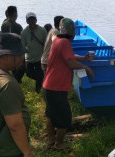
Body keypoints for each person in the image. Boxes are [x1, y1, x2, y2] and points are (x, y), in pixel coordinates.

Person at [42, 18, 95, 150]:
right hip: (57, 87)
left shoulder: (58, 41)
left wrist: (83, 58)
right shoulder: (65, 42)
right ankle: (59, 144)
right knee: (65, 117)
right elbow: (70, 62)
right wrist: (86, 67)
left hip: (48, 85)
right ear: (72, 33)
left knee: (50, 114)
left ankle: (50, 140)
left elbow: (68, 56)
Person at [0, 33, 34, 157]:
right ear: (6, 56)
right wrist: (27, 152)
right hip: (7, 149)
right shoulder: (6, 84)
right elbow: (15, 126)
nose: (22, 59)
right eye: (19, 55)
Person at [21, 12, 47, 93]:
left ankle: (38, 91)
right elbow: (22, 46)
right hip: (29, 58)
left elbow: (46, 44)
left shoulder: (42, 30)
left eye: (33, 19)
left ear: (36, 20)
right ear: (27, 21)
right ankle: (43, 80)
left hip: (40, 57)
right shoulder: (24, 32)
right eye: (29, 19)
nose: (31, 21)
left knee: (40, 73)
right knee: (28, 73)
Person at [1, 6, 25, 83]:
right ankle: (15, 82)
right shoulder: (17, 26)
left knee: (13, 69)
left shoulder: (4, 24)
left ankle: (14, 81)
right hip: (15, 51)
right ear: (15, 14)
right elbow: (21, 39)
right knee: (21, 68)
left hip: (6, 50)